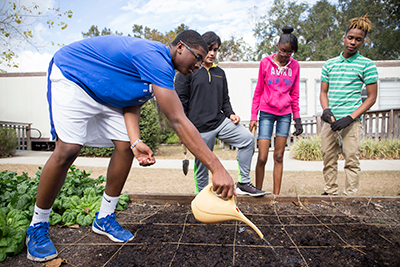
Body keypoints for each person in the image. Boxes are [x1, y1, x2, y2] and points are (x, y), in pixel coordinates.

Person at [26, 30, 237, 262]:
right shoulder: (155, 58)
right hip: (74, 75)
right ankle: (37, 225)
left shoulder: (160, 69)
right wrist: (217, 168)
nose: (199, 64)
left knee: (125, 146)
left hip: (104, 92)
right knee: (68, 149)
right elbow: (177, 120)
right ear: (179, 47)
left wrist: (135, 141)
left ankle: (104, 218)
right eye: (197, 56)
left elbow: (132, 100)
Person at [175, 31, 266, 197]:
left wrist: (231, 114)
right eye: (209, 49)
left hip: (220, 122)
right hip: (199, 128)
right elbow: (181, 102)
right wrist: (184, 129)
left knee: (247, 139)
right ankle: (201, 195)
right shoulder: (189, 70)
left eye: (215, 50)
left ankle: (244, 183)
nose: (212, 53)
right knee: (203, 165)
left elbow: (225, 99)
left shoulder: (220, 73)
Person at [320, 15, 378, 195]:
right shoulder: (329, 65)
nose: (353, 42)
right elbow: (323, 92)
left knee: (351, 160)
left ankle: (351, 197)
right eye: (350, 38)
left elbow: (371, 98)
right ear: (344, 38)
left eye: (358, 40)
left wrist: (350, 118)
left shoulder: (367, 65)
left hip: (351, 123)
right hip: (331, 122)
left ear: (363, 42)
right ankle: (330, 192)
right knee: (328, 159)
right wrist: (326, 110)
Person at [249, 26, 303, 195]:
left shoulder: (295, 66)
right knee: (263, 156)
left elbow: (294, 94)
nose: (285, 55)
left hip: (285, 115)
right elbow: (258, 90)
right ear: (277, 45)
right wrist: (253, 116)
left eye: (289, 52)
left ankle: (276, 196)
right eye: (282, 50)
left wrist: (298, 118)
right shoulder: (265, 63)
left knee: (279, 156)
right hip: (266, 113)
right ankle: (257, 191)